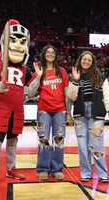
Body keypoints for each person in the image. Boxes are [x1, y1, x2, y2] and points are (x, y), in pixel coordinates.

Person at [0, 19, 31, 190]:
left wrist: (37, 80)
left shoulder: (26, 70)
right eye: (13, 40)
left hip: (17, 111)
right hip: (2, 110)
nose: (17, 45)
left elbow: (32, 89)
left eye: (22, 42)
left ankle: (11, 169)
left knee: (13, 142)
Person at [28, 45, 69, 181]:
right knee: (43, 140)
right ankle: (43, 169)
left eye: (53, 52)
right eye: (48, 52)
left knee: (59, 140)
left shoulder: (61, 71)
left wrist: (68, 112)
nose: (50, 54)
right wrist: (38, 77)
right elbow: (31, 93)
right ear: (44, 54)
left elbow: (66, 93)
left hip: (59, 110)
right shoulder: (39, 71)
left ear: (55, 55)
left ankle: (57, 169)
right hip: (44, 110)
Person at [68, 51, 109, 182]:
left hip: (96, 114)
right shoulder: (74, 76)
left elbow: (107, 96)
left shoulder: (100, 76)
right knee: (82, 146)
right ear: (80, 60)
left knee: (97, 145)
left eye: (89, 60)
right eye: (84, 59)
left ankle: (103, 173)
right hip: (80, 114)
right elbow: (71, 97)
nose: (86, 62)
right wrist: (75, 80)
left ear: (92, 63)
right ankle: (86, 173)